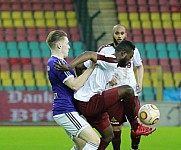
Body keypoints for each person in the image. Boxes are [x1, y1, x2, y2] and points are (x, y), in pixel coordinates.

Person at [54, 40, 156, 150]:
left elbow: (79, 66)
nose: (130, 61)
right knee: (128, 90)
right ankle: (136, 127)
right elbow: (88, 54)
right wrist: (69, 67)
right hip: (89, 102)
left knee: (108, 136)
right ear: (123, 53)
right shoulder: (112, 59)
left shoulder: (108, 61)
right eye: (130, 57)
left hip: (85, 101)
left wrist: (83, 86)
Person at [46, 30, 100, 150]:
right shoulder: (57, 63)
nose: (69, 47)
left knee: (81, 145)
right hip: (66, 110)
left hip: (64, 110)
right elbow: (75, 85)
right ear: (59, 45)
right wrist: (91, 67)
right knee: (95, 142)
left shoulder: (54, 62)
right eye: (67, 43)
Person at [97, 24, 144, 150]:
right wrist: (107, 80)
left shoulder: (133, 50)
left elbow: (139, 66)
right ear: (113, 34)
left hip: (131, 93)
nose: (119, 36)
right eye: (117, 33)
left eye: (122, 33)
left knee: (137, 124)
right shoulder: (104, 50)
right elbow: (96, 68)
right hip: (114, 95)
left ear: (126, 34)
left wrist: (140, 81)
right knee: (116, 128)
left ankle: (135, 148)